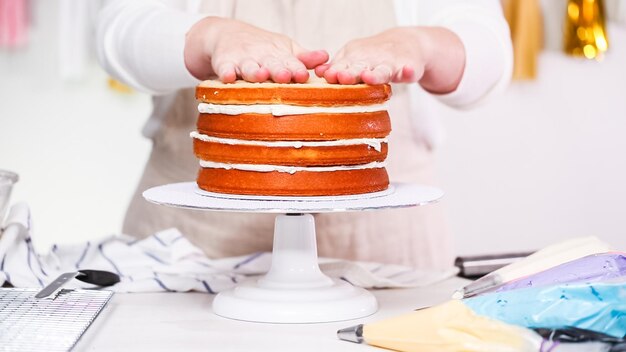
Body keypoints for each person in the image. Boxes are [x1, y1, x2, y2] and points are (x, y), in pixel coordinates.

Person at [97, 0, 512, 270]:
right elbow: (118, 31)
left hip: (388, 248)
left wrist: (422, 45)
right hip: (192, 246)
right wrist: (209, 36)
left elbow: (488, 53)